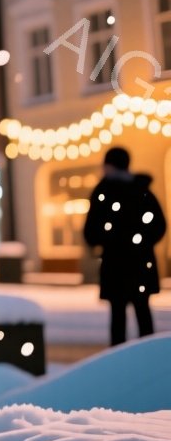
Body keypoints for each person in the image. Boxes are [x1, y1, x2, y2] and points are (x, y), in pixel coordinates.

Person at [83, 147, 164, 346]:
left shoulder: (103, 192)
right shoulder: (142, 191)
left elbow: (90, 232)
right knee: (142, 312)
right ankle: (148, 354)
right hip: (139, 263)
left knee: (118, 317)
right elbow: (159, 225)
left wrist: (106, 241)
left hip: (115, 265)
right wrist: (142, 243)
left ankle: (119, 362)